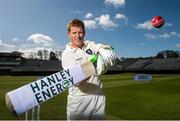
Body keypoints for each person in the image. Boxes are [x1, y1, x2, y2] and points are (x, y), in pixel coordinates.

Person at [62, 18, 116, 120]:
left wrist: (108, 49)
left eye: (80, 32)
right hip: (79, 99)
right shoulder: (67, 54)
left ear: (84, 33)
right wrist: (93, 65)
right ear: (68, 34)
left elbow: (104, 46)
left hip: (98, 95)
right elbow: (76, 81)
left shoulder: (90, 45)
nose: (78, 36)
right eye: (74, 33)